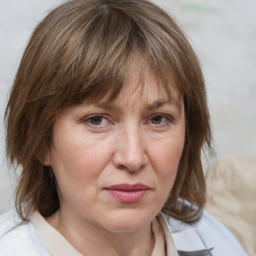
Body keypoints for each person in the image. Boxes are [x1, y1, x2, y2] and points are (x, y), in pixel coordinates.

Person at [0, 0, 247, 255]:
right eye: (96, 120)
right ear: (40, 140)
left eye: (158, 119)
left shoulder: (216, 239)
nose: (133, 158)